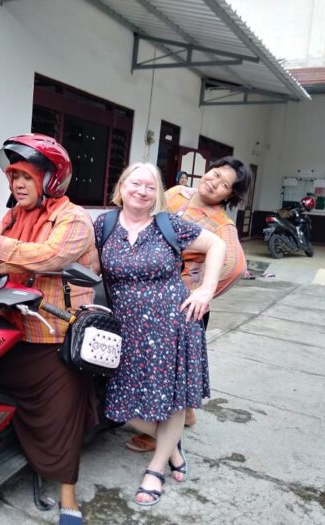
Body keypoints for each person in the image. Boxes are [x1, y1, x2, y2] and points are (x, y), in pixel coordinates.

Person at [0, 133, 98, 525]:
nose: (18, 185)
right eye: (14, 177)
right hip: (9, 323)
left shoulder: (73, 216)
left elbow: (50, 257)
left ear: (51, 179)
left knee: (63, 409)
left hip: (54, 333)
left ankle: (68, 494)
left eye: (27, 176)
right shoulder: (14, 216)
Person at [93, 162, 225, 506]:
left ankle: (156, 468)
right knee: (117, 404)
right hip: (126, 327)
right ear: (121, 187)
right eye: (135, 183)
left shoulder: (169, 225)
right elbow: (85, 265)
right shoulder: (103, 224)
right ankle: (173, 449)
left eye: (150, 187)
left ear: (157, 195)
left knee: (173, 399)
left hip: (173, 322)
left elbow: (217, 247)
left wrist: (205, 291)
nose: (141, 191)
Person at [125, 156, 251, 453]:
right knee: (154, 364)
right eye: (215, 174)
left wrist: (200, 293)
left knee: (165, 371)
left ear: (229, 195)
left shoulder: (222, 224)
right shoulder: (175, 193)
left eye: (224, 185)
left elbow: (234, 266)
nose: (214, 183)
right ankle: (187, 413)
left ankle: (157, 431)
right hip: (147, 296)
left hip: (180, 306)